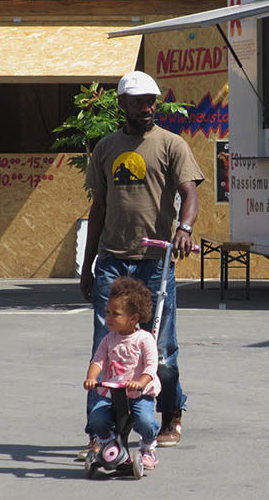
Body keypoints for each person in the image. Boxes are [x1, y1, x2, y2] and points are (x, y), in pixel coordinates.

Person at [79, 70, 204, 459]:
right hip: (113, 262)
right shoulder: (105, 148)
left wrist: (184, 228)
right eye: (139, 101)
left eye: (152, 100)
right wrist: (87, 265)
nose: (148, 107)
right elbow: (98, 207)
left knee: (161, 348)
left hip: (155, 262)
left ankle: (170, 414)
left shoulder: (171, 145)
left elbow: (190, 193)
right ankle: (100, 433)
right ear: (123, 105)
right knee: (105, 345)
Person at [83, 277, 162, 469]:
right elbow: (98, 360)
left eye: (115, 314)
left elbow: (151, 367)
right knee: (97, 418)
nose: (108, 317)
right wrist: (92, 377)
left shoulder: (144, 339)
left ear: (133, 318)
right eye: (108, 312)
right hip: (112, 393)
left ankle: (147, 448)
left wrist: (141, 382)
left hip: (138, 394)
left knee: (145, 421)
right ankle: (108, 443)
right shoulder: (109, 339)